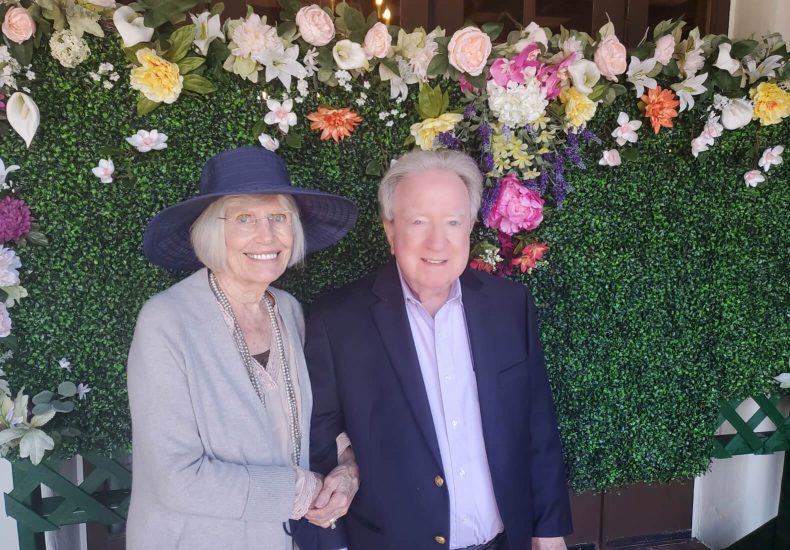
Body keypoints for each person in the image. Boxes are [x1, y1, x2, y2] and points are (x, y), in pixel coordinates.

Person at [303, 150, 572, 550]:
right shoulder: (337, 320)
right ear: (390, 231)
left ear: (470, 228)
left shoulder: (509, 306)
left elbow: (536, 422)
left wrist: (548, 531)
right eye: (418, 222)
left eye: (452, 222)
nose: (437, 241)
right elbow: (320, 436)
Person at [127, 146, 360, 550]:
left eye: (278, 217)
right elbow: (175, 476)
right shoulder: (166, 321)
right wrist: (301, 493)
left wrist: (347, 468)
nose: (266, 236)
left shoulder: (289, 311)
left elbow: (317, 414)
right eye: (245, 219)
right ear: (212, 231)